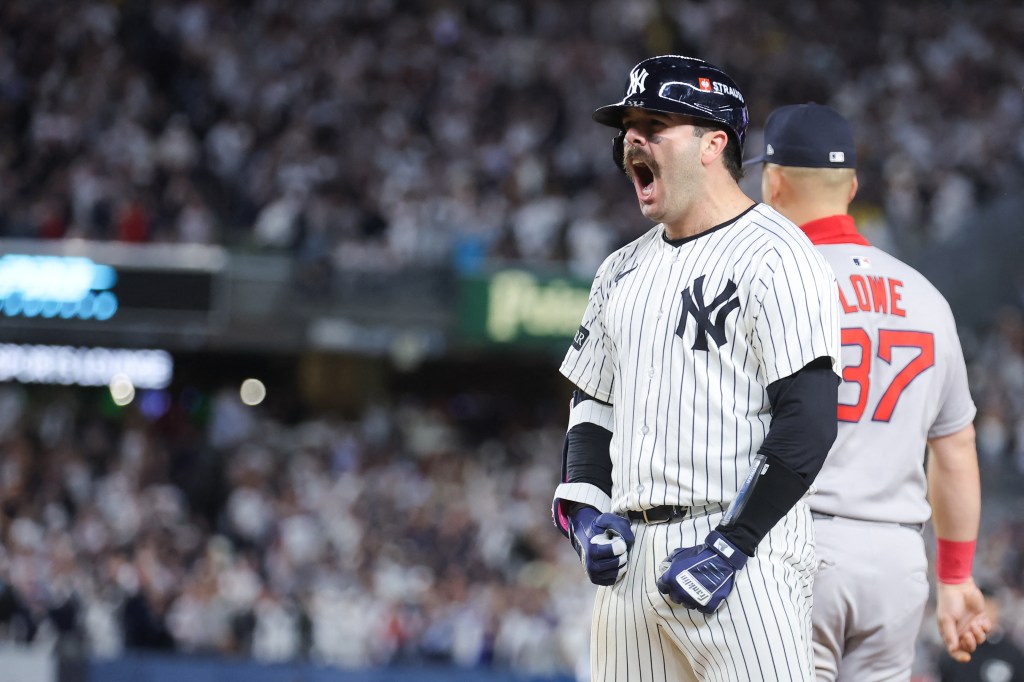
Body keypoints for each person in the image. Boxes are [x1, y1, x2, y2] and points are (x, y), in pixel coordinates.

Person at [550, 55, 842, 681]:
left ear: (714, 144)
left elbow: (810, 421)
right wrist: (585, 516)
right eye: (627, 125)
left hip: (742, 557)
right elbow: (592, 406)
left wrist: (732, 544)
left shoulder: (779, 255)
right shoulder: (620, 269)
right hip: (630, 563)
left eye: (654, 124)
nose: (632, 138)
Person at [748, 102, 992, 681]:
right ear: (852, 186)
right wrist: (956, 577)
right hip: (896, 561)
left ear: (773, 183)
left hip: (793, 546)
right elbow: (956, 448)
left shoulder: (769, 282)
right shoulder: (927, 298)